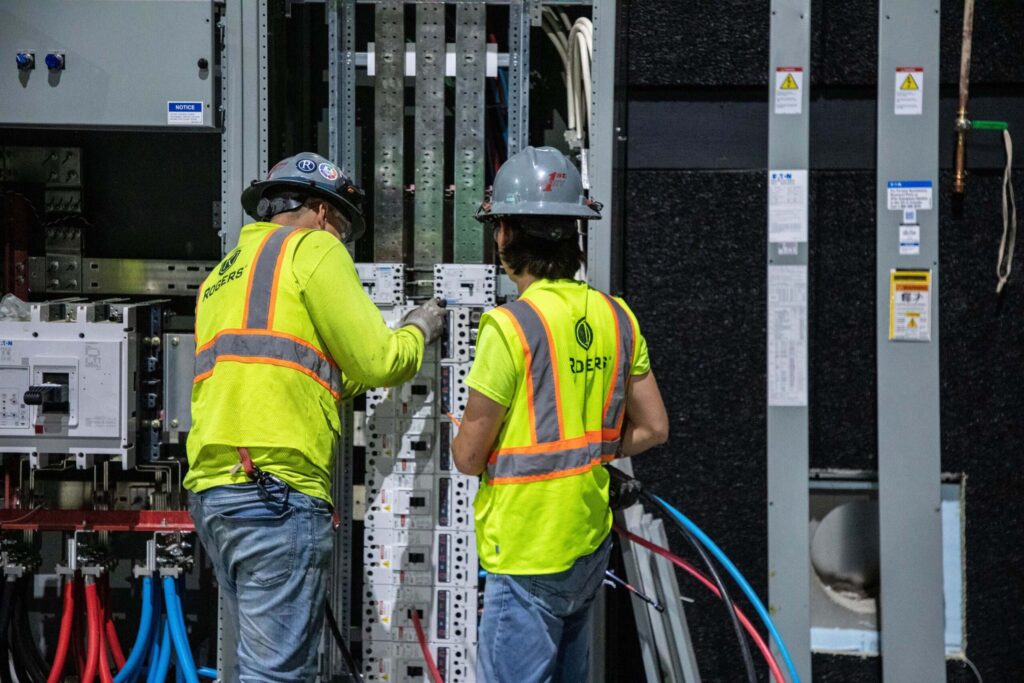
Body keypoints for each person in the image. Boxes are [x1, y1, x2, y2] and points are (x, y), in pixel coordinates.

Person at [186, 152, 447, 681]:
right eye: (343, 229)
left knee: (262, 665)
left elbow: (307, 370)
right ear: (324, 214)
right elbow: (380, 361)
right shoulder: (313, 248)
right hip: (275, 493)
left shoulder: (222, 275)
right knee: (279, 675)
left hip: (216, 494)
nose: (341, 242)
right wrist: (418, 328)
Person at [451, 146, 669, 683]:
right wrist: (596, 448)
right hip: (586, 545)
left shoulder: (511, 327)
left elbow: (468, 456)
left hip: (527, 552)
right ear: (574, 232)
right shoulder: (617, 316)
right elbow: (653, 428)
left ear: (504, 235)